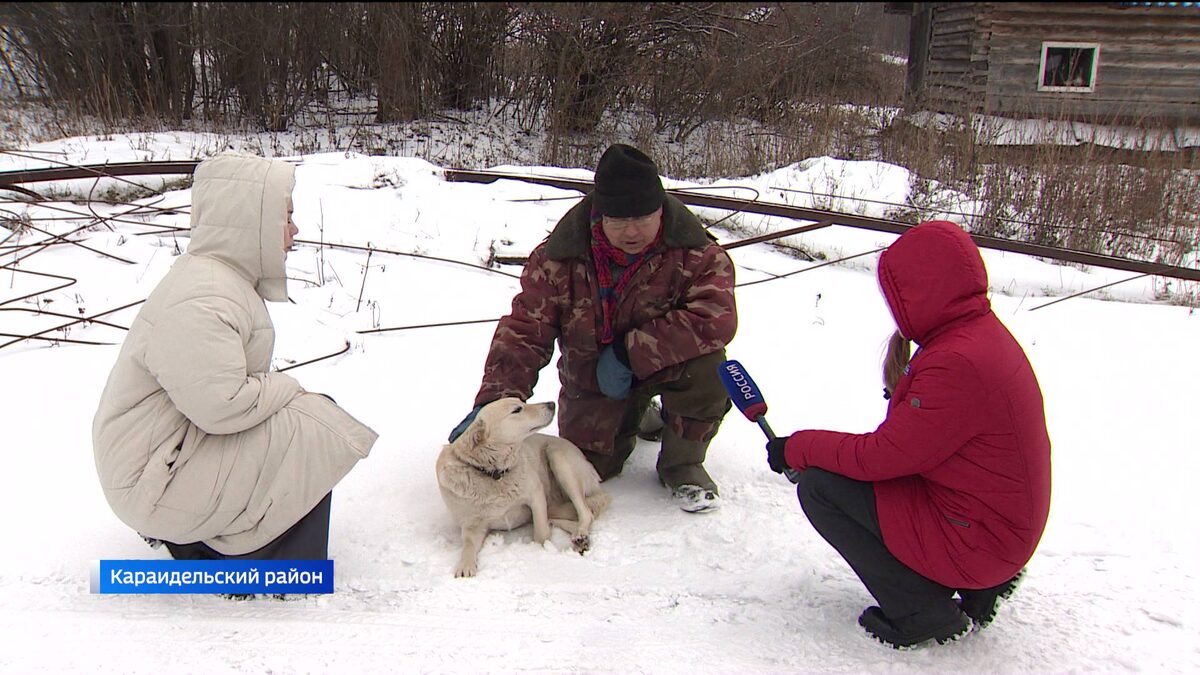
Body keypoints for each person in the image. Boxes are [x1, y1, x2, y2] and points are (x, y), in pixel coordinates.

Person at [765, 220, 1051, 649]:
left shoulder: (956, 361)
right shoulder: (979, 333)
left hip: (982, 541)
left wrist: (799, 448)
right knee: (861, 479)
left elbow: (882, 456)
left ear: (915, 292)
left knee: (822, 488)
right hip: (997, 530)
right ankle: (976, 587)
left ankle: (922, 613)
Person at [92, 153, 378, 561]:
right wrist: (287, 387)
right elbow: (221, 406)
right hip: (153, 480)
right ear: (253, 221)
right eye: (287, 217)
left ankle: (224, 538)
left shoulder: (218, 280)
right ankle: (259, 560)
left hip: (165, 460)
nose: (294, 231)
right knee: (314, 427)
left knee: (305, 417)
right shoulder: (203, 296)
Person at [449, 144, 738, 513]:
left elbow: (716, 318)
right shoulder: (558, 258)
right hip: (594, 378)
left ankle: (683, 463)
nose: (632, 231)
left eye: (644, 219)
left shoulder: (697, 253)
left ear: (661, 210)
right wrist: (496, 400)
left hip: (665, 366)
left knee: (711, 371)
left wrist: (628, 353)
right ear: (600, 214)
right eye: (618, 221)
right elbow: (525, 330)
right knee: (592, 468)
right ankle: (641, 413)